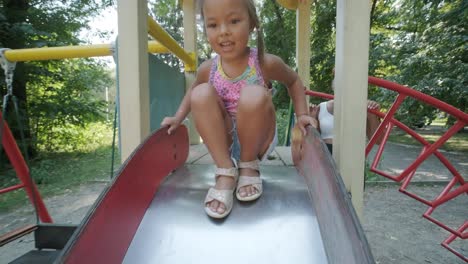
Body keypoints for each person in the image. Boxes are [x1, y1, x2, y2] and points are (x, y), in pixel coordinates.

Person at [161, 0, 317, 219]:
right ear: (205, 29)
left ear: (251, 23)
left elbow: (293, 81)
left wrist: (302, 115)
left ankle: (248, 166)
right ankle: (225, 171)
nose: (224, 32)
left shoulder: (263, 62)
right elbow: (192, 92)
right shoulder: (209, 68)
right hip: (224, 140)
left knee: (252, 93)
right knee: (201, 93)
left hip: (258, 139)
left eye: (234, 21)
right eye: (213, 25)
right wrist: (178, 118)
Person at [310, 78, 383, 154]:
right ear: (334, 87)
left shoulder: (363, 108)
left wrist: (372, 114)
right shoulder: (321, 107)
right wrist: (311, 118)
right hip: (325, 155)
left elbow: (378, 141)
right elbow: (314, 138)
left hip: (350, 155)